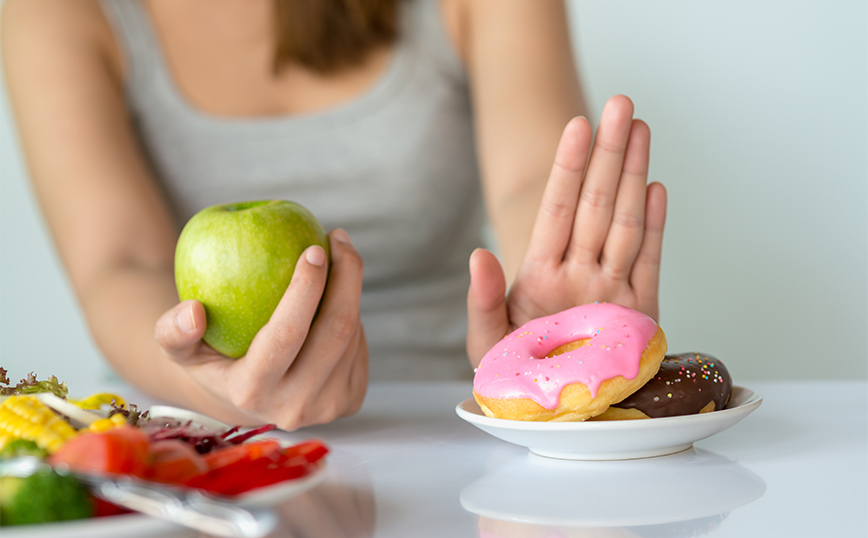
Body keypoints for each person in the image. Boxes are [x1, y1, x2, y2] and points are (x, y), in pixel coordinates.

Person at [1, 0, 666, 430]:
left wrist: (553, 320)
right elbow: (119, 262)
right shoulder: (53, 12)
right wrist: (217, 391)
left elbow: (530, 183)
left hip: (446, 435)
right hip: (191, 447)